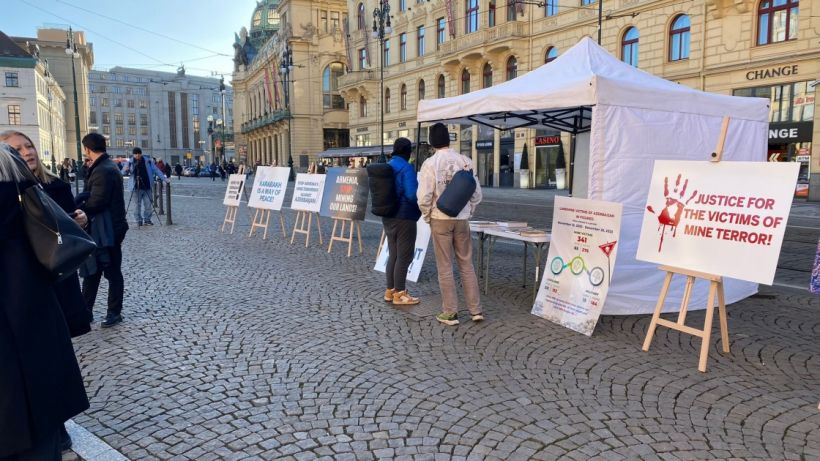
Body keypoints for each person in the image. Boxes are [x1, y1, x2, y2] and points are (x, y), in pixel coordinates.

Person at [0, 131, 93, 452]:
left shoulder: (40, 189)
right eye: (18, 148)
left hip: (40, 302)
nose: (26, 152)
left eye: (29, 146)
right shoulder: (20, 194)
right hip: (35, 313)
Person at [417, 123, 483, 326]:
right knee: (466, 264)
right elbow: (477, 194)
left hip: (440, 219)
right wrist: (468, 211)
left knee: (445, 267)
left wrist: (428, 216)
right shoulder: (465, 161)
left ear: (431, 142)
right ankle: (475, 310)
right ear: (449, 138)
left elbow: (424, 197)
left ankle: (450, 312)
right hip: (462, 219)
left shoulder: (430, 163)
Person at [80, 133, 129, 328]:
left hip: (107, 230)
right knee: (93, 270)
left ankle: (114, 312)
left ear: (87, 149)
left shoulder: (103, 170)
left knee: (110, 271)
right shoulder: (104, 167)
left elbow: (97, 201)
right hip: (104, 228)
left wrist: (81, 206)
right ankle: (85, 311)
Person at [383, 138, 422, 306]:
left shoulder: (388, 165)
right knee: (404, 255)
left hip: (388, 215)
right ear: (408, 152)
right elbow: (413, 194)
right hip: (404, 216)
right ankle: (400, 293)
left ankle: (390, 291)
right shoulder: (406, 168)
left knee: (393, 254)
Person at [126, 147, 168, 226]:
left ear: (141, 154)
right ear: (133, 154)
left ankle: (147, 219)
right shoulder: (130, 162)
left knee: (148, 204)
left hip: (147, 186)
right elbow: (123, 171)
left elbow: (156, 170)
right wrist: (126, 169)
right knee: (136, 205)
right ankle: (138, 220)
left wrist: (164, 178)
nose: (137, 155)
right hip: (135, 187)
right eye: (136, 154)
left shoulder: (148, 161)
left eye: (139, 154)